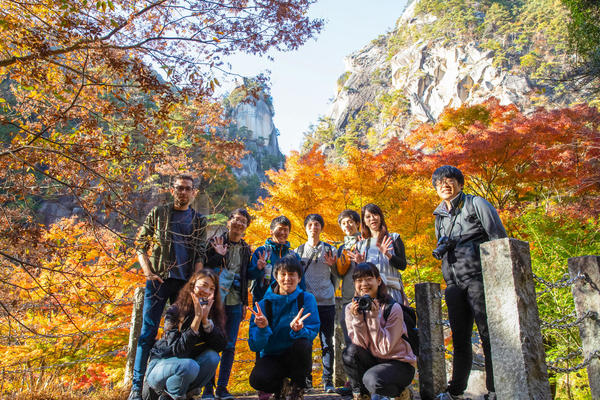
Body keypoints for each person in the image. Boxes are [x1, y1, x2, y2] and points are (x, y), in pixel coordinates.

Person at [431, 166, 507, 400]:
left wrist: (500, 277)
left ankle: (495, 389)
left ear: (460, 184)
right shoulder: (439, 216)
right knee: (459, 337)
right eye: (439, 182)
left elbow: (498, 238)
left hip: (479, 277)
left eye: (450, 180)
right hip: (453, 283)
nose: (444, 185)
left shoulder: (477, 204)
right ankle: (456, 390)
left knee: (487, 333)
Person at [130, 174, 208, 400]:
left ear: (194, 193)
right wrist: (148, 272)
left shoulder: (198, 221)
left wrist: (196, 281)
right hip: (158, 280)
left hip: (184, 285)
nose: (183, 192)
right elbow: (140, 244)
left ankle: (170, 386)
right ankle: (138, 386)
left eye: (187, 189)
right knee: (148, 333)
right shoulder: (158, 213)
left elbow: (200, 253)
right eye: (179, 188)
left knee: (179, 334)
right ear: (172, 190)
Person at [142, 270, 226, 400]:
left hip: (186, 370)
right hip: (160, 368)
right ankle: (172, 395)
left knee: (213, 357)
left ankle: (182, 393)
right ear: (192, 285)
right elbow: (178, 351)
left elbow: (221, 345)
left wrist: (205, 322)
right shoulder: (175, 310)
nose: (207, 291)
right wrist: (197, 320)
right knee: (189, 366)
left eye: (211, 288)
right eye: (203, 285)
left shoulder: (212, 313)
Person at [248, 255, 320, 400]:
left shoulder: (306, 299)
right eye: (283, 274)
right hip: (272, 356)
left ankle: (298, 387)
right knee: (257, 379)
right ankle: (280, 387)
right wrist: (262, 328)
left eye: (292, 274)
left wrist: (299, 330)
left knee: (303, 344)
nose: (287, 278)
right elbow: (254, 346)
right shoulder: (263, 305)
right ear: (276, 277)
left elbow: (312, 332)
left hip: (295, 356)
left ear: (299, 278)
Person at [342, 262, 416, 400]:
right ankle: (362, 395)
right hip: (374, 360)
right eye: (359, 280)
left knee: (372, 380)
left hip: (398, 363)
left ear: (378, 280)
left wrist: (373, 318)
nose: (364, 284)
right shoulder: (350, 310)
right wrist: (358, 319)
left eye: (368, 278)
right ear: (354, 284)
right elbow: (359, 345)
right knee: (349, 353)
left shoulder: (392, 308)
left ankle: (401, 393)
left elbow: (385, 349)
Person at [202, 208, 253, 400]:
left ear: (246, 227)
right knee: (210, 344)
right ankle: (207, 389)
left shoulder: (246, 249)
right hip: (215, 302)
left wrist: (244, 303)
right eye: (236, 220)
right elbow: (204, 270)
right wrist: (217, 254)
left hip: (234, 302)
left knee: (230, 346)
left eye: (243, 222)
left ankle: (222, 388)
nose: (239, 224)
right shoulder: (215, 241)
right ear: (229, 222)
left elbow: (246, 277)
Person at [295, 214, 337, 393]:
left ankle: (328, 381)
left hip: (327, 302)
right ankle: (307, 379)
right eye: (310, 224)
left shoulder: (331, 250)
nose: (314, 227)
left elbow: (337, 276)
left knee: (327, 343)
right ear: (305, 228)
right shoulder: (297, 251)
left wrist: (333, 267)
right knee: (306, 342)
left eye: (317, 224)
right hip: (306, 304)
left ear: (322, 227)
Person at [349, 204, 408, 305]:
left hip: (392, 292)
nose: (372, 219)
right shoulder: (360, 245)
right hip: (370, 295)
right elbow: (358, 277)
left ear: (380, 217)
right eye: (368, 216)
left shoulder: (393, 238)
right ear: (364, 221)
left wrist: (388, 254)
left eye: (375, 214)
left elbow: (402, 266)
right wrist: (361, 265)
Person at [249, 215, 303, 303]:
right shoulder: (262, 251)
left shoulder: (293, 256)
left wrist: (301, 301)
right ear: (271, 231)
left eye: (286, 230)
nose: (282, 232)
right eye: (280, 229)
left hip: (288, 302)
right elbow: (250, 276)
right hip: (263, 301)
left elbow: (301, 281)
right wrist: (257, 268)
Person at [335, 209, 362, 344]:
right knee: (349, 341)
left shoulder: (366, 243)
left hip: (366, 297)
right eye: (343, 223)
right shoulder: (341, 249)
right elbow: (339, 274)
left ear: (357, 223)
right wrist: (331, 266)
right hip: (348, 299)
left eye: (350, 222)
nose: (347, 225)